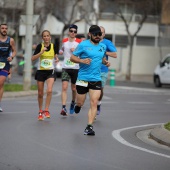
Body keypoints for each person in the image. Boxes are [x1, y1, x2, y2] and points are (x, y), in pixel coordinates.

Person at [70, 25, 110, 136]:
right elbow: (72, 58)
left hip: (96, 79)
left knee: (94, 102)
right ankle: (77, 106)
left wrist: (105, 62)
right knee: (80, 102)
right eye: (95, 34)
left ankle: (89, 126)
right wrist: (82, 61)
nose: (98, 36)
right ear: (90, 34)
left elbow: (101, 58)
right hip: (83, 78)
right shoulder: (83, 45)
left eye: (99, 34)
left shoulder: (102, 46)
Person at [31, 30, 59, 120]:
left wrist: (57, 59)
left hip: (50, 71)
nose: (46, 37)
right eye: (44, 36)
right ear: (42, 38)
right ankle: (40, 111)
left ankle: (46, 110)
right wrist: (41, 52)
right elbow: (32, 58)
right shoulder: (40, 46)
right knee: (40, 93)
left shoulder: (53, 46)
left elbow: (55, 55)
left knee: (49, 90)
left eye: (48, 36)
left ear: (50, 37)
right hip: (41, 71)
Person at [59, 24, 81, 116]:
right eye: (71, 31)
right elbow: (62, 49)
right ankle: (63, 107)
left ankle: (72, 102)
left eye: (75, 32)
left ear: (76, 33)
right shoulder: (64, 40)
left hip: (75, 67)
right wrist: (60, 51)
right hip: (66, 67)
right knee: (64, 87)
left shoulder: (79, 42)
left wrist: (75, 51)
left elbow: (82, 54)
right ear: (69, 32)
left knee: (74, 88)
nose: (73, 33)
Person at [97, 26, 117, 116]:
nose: (99, 34)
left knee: (100, 89)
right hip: (92, 70)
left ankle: (98, 103)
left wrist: (105, 52)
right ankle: (94, 104)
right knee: (93, 91)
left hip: (103, 70)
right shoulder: (91, 43)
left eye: (101, 32)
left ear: (104, 34)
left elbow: (115, 54)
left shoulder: (107, 43)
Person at [0, 23, 16, 112]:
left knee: (1, 82)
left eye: (6, 28)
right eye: (2, 28)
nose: (4, 30)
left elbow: (14, 51)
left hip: (5, 64)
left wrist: (12, 57)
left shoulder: (11, 40)